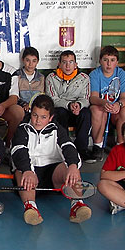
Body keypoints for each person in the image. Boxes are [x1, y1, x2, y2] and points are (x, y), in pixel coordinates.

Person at [11, 94, 90, 225]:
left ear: (50, 117)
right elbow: (19, 151)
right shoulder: (22, 129)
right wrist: (27, 170)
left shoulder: (58, 129)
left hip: (53, 174)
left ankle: (77, 204)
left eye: (43, 117)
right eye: (35, 115)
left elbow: (68, 146)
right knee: (20, 172)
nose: (37, 121)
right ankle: (31, 208)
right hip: (30, 173)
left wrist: (73, 165)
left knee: (70, 169)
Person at [88, 46, 125, 161]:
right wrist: (103, 103)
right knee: (96, 110)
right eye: (105, 60)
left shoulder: (122, 74)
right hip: (101, 106)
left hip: (115, 111)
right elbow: (93, 98)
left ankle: (121, 146)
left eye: (112, 60)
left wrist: (119, 105)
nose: (109, 64)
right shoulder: (95, 74)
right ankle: (97, 146)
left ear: (117, 62)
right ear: (100, 61)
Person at [45, 50, 92, 160]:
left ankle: (81, 149)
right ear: (59, 64)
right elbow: (52, 99)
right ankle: (65, 147)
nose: (67, 65)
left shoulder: (84, 78)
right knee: (59, 112)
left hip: (77, 109)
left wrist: (79, 105)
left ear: (76, 64)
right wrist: (69, 104)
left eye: (71, 62)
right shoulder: (51, 78)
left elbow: (86, 98)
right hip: (62, 109)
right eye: (64, 62)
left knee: (86, 113)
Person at [16, 46, 44, 115]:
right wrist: (24, 104)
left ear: (37, 61)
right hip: (21, 109)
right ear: (23, 60)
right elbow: (14, 96)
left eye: (34, 61)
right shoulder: (17, 76)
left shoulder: (41, 77)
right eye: (27, 60)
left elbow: (41, 96)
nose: (31, 64)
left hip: (37, 108)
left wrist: (33, 106)